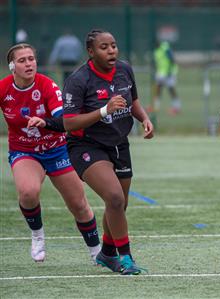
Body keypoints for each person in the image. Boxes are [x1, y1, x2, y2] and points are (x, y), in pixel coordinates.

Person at [62, 29, 154, 275]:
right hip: (86, 146)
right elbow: (69, 123)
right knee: (114, 197)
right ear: (91, 52)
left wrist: (145, 119)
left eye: (113, 45)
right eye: (104, 47)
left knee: (118, 205)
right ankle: (126, 258)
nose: (111, 50)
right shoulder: (79, 79)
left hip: (119, 144)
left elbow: (133, 100)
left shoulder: (124, 69)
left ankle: (107, 253)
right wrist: (104, 110)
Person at [0, 43, 100, 263]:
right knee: (28, 192)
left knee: (78, 204)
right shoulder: (4, 88)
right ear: (12, 66)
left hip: (57, 150)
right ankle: (37, 236)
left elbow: (65, 121)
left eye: (31, 59)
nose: (28, 64)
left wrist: (44, 122)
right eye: (22, 60)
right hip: (24, 151)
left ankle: (96, 252)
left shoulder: (47, 85)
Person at [150, 40, 181, 115]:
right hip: (161, 73)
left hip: (169, 72)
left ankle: (177, 107)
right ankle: (156, 106)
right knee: (158, 88)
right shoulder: (155, 52)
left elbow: (172, 59)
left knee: (171, 89)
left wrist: (169, 71)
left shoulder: (165, 48)